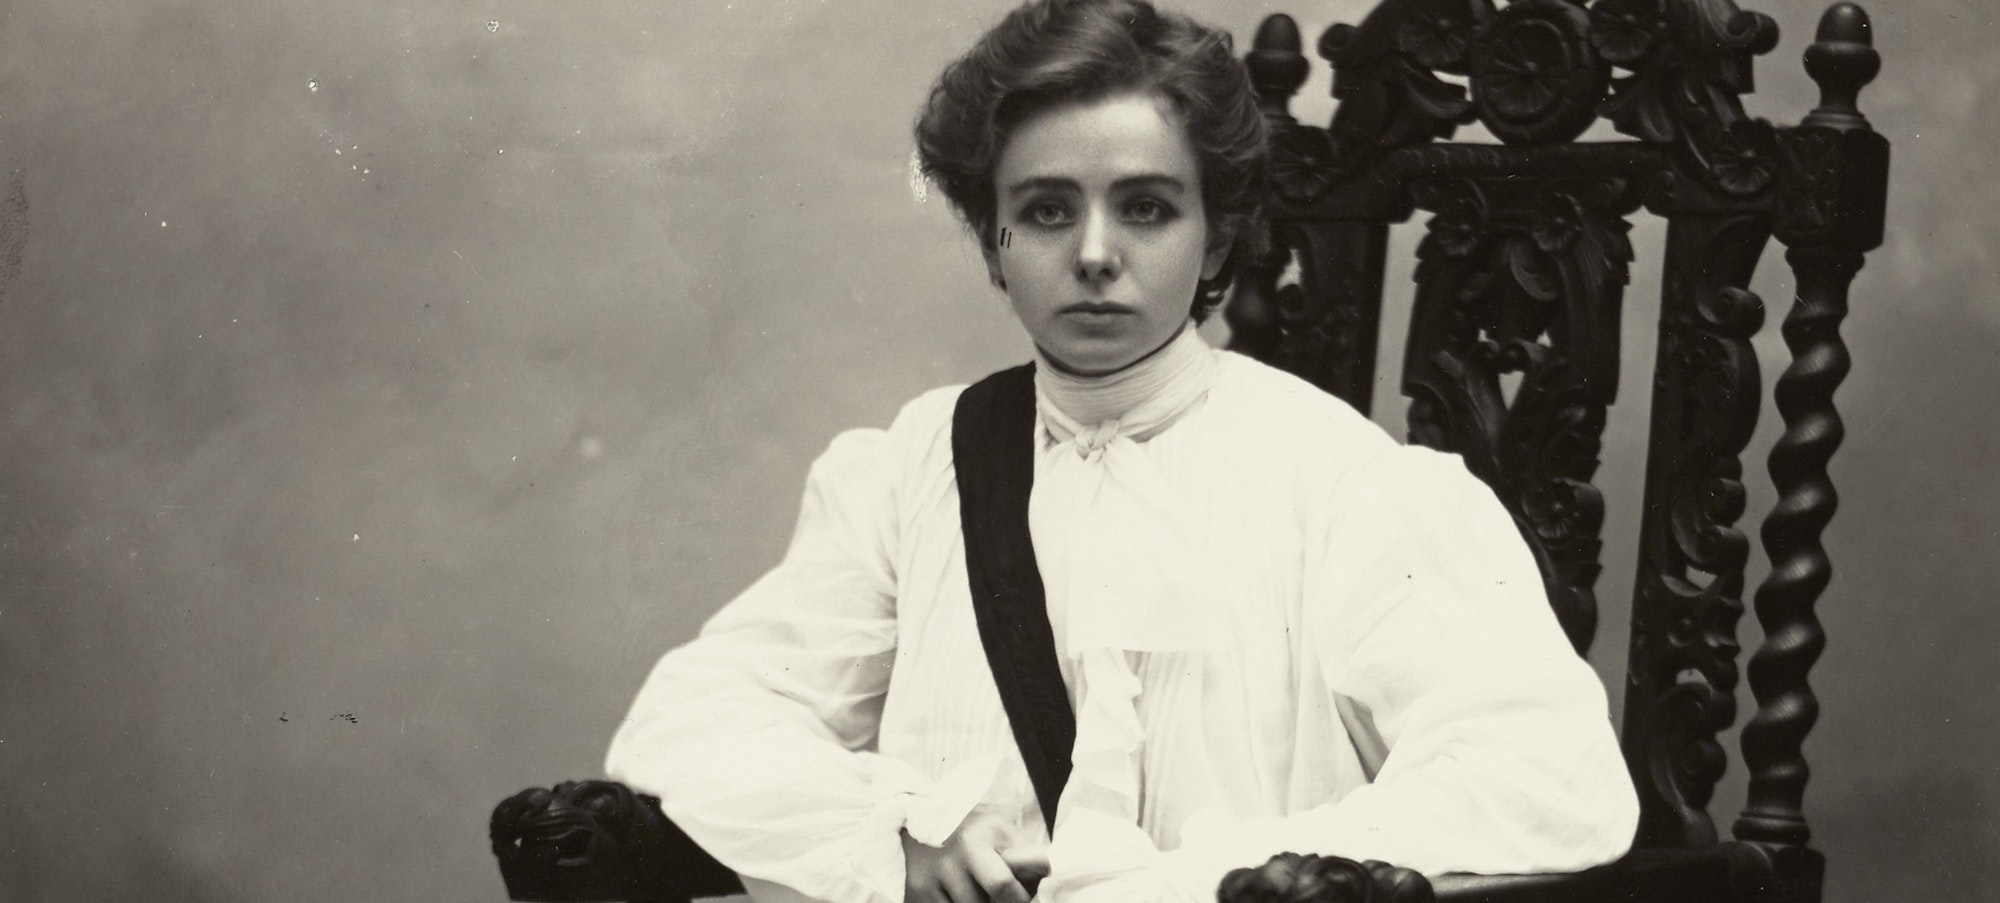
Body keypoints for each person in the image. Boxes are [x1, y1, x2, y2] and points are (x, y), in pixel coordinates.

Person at [605, 2, 1639, 902]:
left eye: (1146, 207)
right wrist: (888, 835)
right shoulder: (916, 469)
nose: (1095, 254)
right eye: (1046, 210)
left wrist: (1197, 884)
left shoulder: (1344, 486)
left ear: (1216, 237)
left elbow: (1541, 777)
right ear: (993, 240)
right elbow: (696, 721)